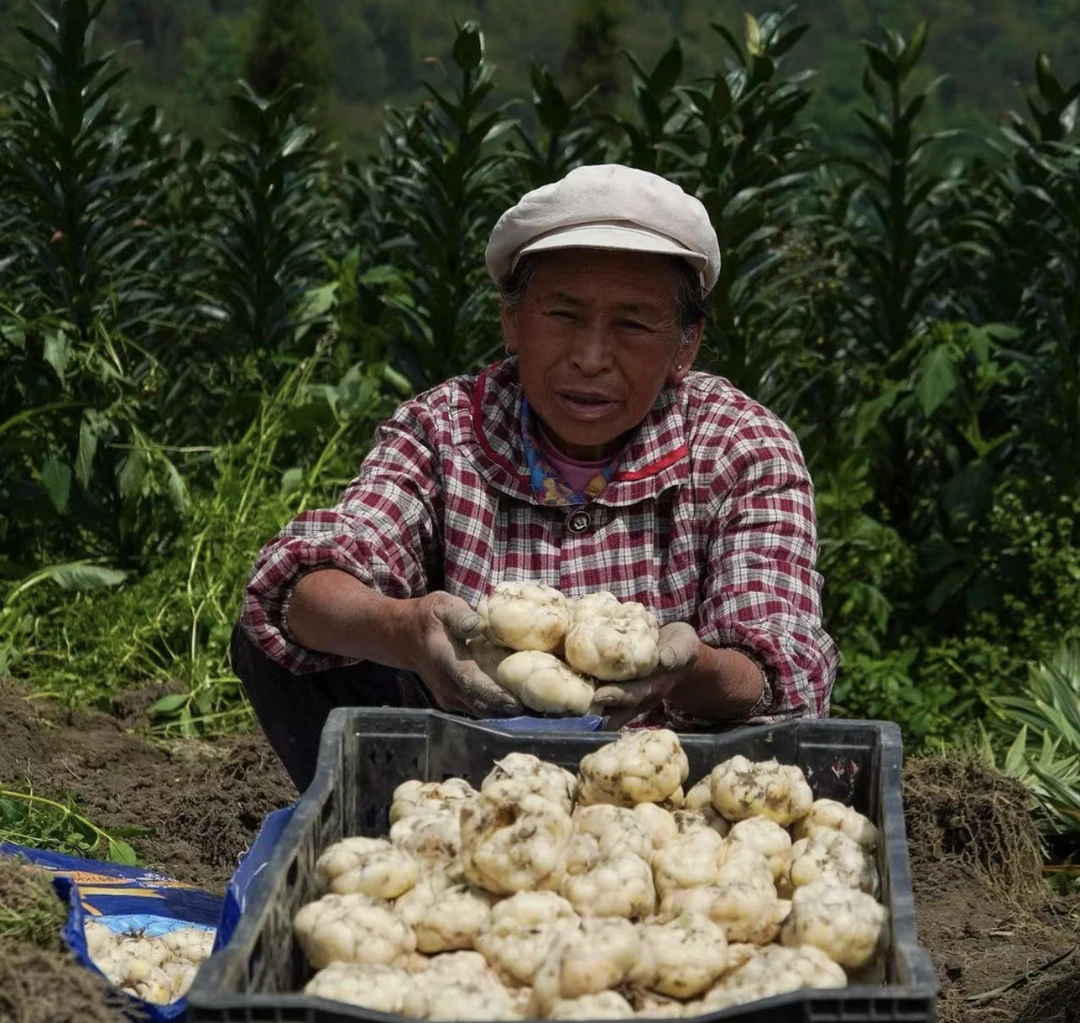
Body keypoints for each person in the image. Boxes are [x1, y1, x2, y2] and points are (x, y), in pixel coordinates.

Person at [232, 164, 839, 791]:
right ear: (512, 322)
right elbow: (300, 582)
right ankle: (383, 823)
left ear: (685, 346)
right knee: (293, 639)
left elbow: (786, 668)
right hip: (468, 781)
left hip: (670, 791)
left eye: (633, 324)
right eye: (563, 314)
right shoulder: (446, 429)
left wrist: (688, 671)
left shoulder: (741, 446)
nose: (591, 357)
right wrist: (406, 632)